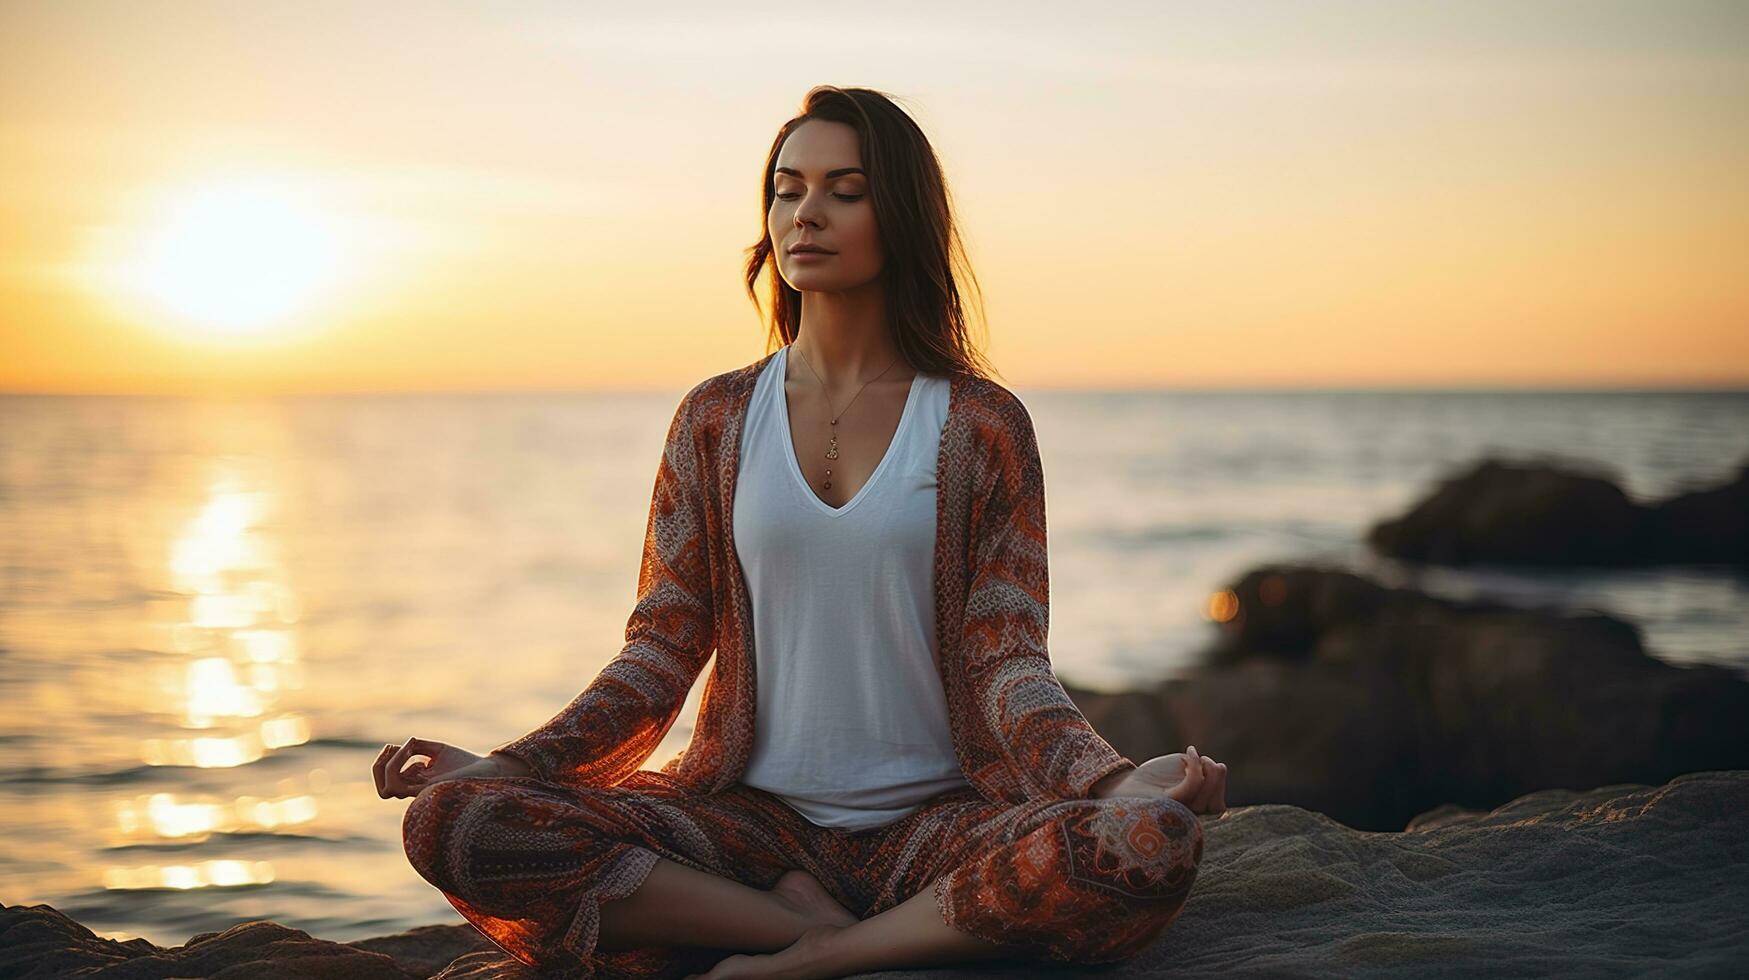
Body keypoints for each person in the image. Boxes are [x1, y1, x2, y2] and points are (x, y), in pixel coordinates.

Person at [376, 85, 1228, 980]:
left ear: (898, 215)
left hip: (938, 827)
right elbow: (662, 644)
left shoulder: (981, 425)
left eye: (843, 190)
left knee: (1148, 839)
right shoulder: (714, 419)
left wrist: (1106, 782)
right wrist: (513, 766)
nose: (805, 214)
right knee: (454, 820)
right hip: (751, 832)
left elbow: (1005, 657)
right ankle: (804, 925)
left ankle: (804, 960)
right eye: (786, 189)